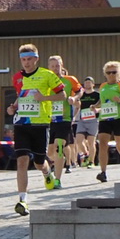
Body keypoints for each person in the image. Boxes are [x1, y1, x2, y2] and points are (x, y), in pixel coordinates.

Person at [5, 44, 66, 215]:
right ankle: (23, 200)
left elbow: (62, 95)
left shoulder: (47, 75)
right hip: (22, 124)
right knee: (22, 161)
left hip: (40, 124)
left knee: (39, 162)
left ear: (36, 59)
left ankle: (47, 173)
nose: (26, 63)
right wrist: (13, 108)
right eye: (23, 60)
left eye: (29, 59)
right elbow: (22, 95)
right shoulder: (18, 77)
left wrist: (44, 98)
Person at [94, 63, 120, 182]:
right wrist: (95, 106)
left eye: (114, 72)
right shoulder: (102, 86)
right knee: (102, 144)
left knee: (119, 144)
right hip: (105, 117)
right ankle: (103, 172)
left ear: (119, 73)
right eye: (108, 73)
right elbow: (101, 101)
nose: (111, 75)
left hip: (119, 118)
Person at [44, 55, 81, 183]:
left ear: (62, 65)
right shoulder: (46, 81)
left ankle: (58, 180)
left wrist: (74, 98)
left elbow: (79, 91)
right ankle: (57, 164)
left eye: (57, 66)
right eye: (52, 66)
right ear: (49, 68)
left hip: (64, 119)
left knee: (59, 145)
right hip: (49, 120)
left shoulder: (69, 80)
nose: (55, 69)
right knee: (49, 152)